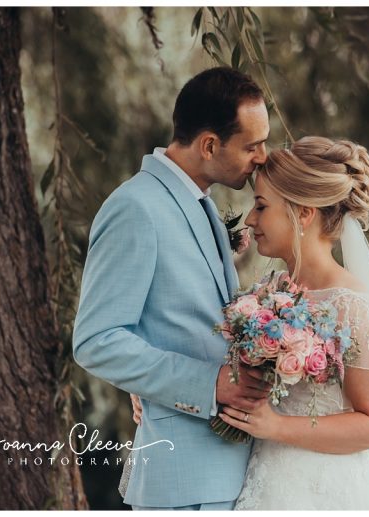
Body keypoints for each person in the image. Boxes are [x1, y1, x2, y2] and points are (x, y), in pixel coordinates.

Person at [131, 136, 369, 510]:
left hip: (326, 494)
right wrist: (152, 385)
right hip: (262, 483)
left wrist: (277, 427)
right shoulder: (268, 292)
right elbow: (221, 365)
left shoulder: (351, 306)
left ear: (303, 213)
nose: (251, 220)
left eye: (261, 206)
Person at [72, 66, 271, 511]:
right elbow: (96, 341)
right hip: (185, 486)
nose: (262, 157)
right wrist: (209, 383)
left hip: (226, 473)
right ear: (209, 145)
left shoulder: (200, 204)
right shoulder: (135, 208)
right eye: (252, 145)